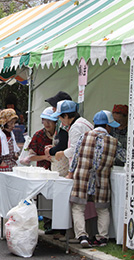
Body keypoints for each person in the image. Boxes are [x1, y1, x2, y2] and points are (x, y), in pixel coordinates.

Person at [67, 110, 125, 248]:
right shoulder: (114, 142)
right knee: (103, 209)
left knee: (78, 207)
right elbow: (124, 158)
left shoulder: (83, 137)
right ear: (108, 126)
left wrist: (70, 173)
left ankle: (82, 236)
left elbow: (75, 158)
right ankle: (102, 238)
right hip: (102, 179)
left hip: (83, 177)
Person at [51, 100, 93, 165]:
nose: (60, 120)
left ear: (65, 116)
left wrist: (62, 153)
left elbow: (75, 149)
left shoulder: (76, 127)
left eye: (60, 117)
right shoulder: (84, 122)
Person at [44, 92, 72, 176]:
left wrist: (51, 151)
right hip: (58, 164)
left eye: (54, 107)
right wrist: (53, 147)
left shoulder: (65, 124)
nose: (52, 109)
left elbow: (64, 145)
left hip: (64, 165)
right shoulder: (60, 122)